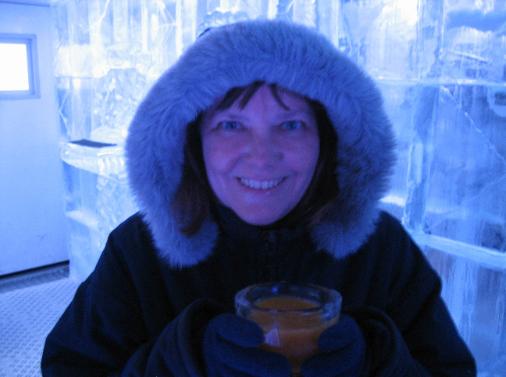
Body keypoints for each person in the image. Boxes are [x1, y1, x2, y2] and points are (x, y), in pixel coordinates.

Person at [41, 20, 476, 376]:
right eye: (231, 125)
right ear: (194, 141)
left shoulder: (383, 250)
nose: (262, 157)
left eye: (291, 125)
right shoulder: (138, 252)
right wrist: (177, 360)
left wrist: (381, 360)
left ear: (327, 139)